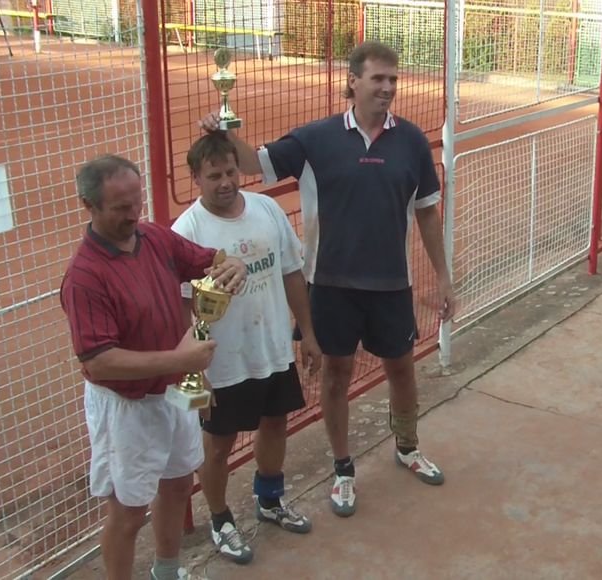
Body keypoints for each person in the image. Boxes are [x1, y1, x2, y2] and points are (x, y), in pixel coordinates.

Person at [199, 41, 456, 518]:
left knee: (402, 369)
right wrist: (225, 130)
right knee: (336, 375)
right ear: (353, 82)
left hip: (391, 284)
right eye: (377, 78)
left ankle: (407, 446)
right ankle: (342, 468)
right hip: (330, 286)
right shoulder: (315, 139)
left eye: (393, 79)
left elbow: (426, 212)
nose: (387, 87)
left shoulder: (412, 142)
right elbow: (254, 164)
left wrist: (443, 276)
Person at [60, 155, 247, 580]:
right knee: (127, 511)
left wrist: (232, 264)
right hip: (127, 407)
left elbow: (208, 259)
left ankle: (166, 571)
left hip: (174, 393)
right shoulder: (84, 276)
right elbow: (99, 362)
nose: (133, 214)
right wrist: (182, 360)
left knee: (178, 483)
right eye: (120, 208)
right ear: (89, 205)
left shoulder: (155, 237)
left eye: (137, 201)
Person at [170, 133, 322, 564]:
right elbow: (179, 308)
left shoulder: (266, 209)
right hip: (221, 361)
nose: (225, 182)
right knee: (218, 444)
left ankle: (269, 500)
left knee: (275, 424)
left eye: (231, 172)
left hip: (271, 347)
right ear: (195, 177)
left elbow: (291, 273)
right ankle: (221, 520)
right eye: (213, 175)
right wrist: (192, 372)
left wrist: (307, 333)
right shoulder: (186, 231)